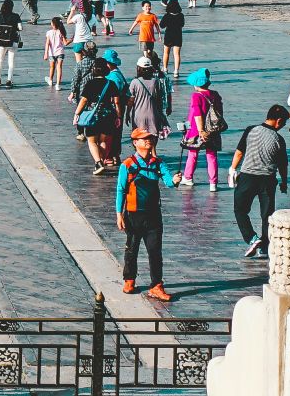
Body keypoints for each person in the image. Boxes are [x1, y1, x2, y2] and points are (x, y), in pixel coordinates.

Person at [115, 128, 172, 301]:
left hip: (154, 215)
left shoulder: (158, 163)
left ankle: (156, 285)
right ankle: (129, 279)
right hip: (133, 215)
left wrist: (175, 180)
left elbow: (169, 183)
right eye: (144, 138)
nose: (148, 141)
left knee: (155, 251)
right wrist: (119, 214)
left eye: (149, 138)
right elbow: (121, 190)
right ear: (135, 142)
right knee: (132, 249)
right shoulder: (127, 165)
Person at [229, 105, 290, 258]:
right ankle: (265, 247)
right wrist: (283, 181)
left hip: (247, 177)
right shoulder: (279, 139)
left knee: (240, 210)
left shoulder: (251, 130)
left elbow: (239, 152)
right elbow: (283, 164)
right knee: (267, 215)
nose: (282, 126)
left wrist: (232, 168)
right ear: (279, 121)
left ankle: (252, 238)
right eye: (283, 123)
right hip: (268, 180)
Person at [178, 69, 225, 191]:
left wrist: (201, 131)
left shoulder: (196, 96)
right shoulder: (215, 94)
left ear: (196, 84)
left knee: (193, 154)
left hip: (196, 131)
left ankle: (188, 177)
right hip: (213, 130)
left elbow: (197, 114)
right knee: (211, 155)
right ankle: (213, 183)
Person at [75, 58, 121, 174]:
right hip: (108, 115)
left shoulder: (90, 83)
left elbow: (84, 100)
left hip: (93, 116)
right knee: (103, 141)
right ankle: (101, 161)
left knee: (92, 141)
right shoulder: (111, 83)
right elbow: (116, 102)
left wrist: (77, 113)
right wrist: (119, 117)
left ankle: (98, 162)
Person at [124, 55, 170, 141]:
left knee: (138, 138)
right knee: (153, 139)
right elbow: (159, 99)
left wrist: (127, 114)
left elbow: (131, 101)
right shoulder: (155, 81)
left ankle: (141, 153)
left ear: (138, 68)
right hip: (153, 114)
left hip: (138, 116)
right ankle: (153, 153)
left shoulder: (135, 82)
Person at [0, 0, 22, 86]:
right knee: (11, 61)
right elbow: (20, 28)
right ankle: (9, 80)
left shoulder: (0, 16)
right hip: (12, 41)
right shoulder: (16, 16)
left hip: (1, 41)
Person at [159, 0, 186, 79]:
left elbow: (162, 25)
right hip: (178, 35)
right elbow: (182, 24)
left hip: (168, 35)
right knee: (177, 54)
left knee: (166, 53)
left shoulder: (167, 16)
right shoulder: (181, 15)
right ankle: (176, 71)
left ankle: (165, 68)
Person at [43, 16, 70, 89]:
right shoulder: (61, 32)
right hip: (60, 52)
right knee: (59, 68)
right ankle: (57, 84)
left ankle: (50, 80)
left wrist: (46, 53)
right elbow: (65, 43)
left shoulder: (49, 32)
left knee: (52, 67)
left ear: (53, 24)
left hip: (52, 53)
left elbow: (47, 43)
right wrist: (72, 39)